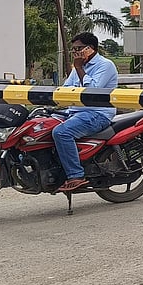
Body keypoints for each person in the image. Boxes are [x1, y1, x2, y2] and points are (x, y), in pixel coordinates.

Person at [53, 32, 120, 192]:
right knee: (40, 124)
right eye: (74, 49)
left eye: (79, 48)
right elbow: (67, 88)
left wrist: (78, 67)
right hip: (74, 111)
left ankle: (76, 175)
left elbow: (93, 90)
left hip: (97, 114)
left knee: (61, 133)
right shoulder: (79, 67)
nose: (76, 52)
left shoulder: (105, 65)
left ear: (91, 48)